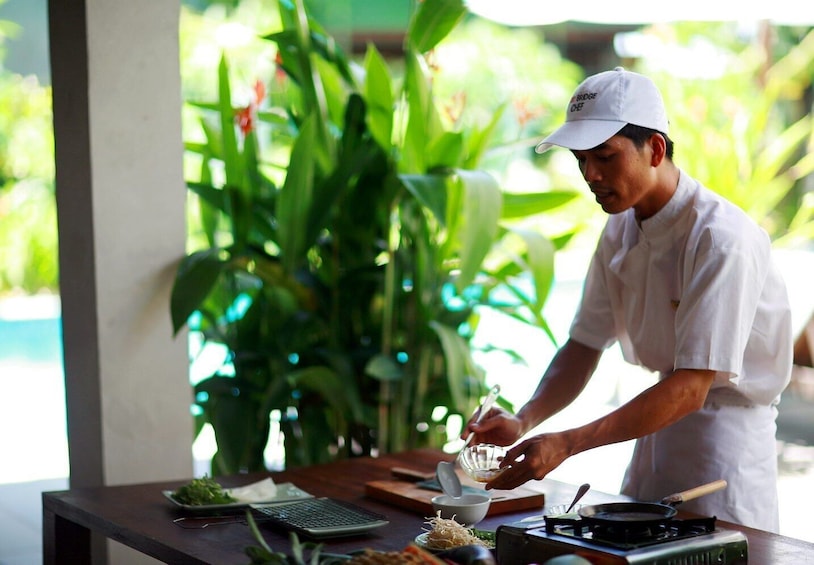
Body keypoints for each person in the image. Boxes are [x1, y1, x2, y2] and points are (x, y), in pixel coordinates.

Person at [464, 67, 792, 532]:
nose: (590, 175)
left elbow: (690, 388)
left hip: (723, 453)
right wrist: (525, 419)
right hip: (653, 438)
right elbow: (584, 343)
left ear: (655, 149)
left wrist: (569, 443)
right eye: (581, 159)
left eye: (605, 156)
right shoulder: (619, 228)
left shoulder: (721, 238)